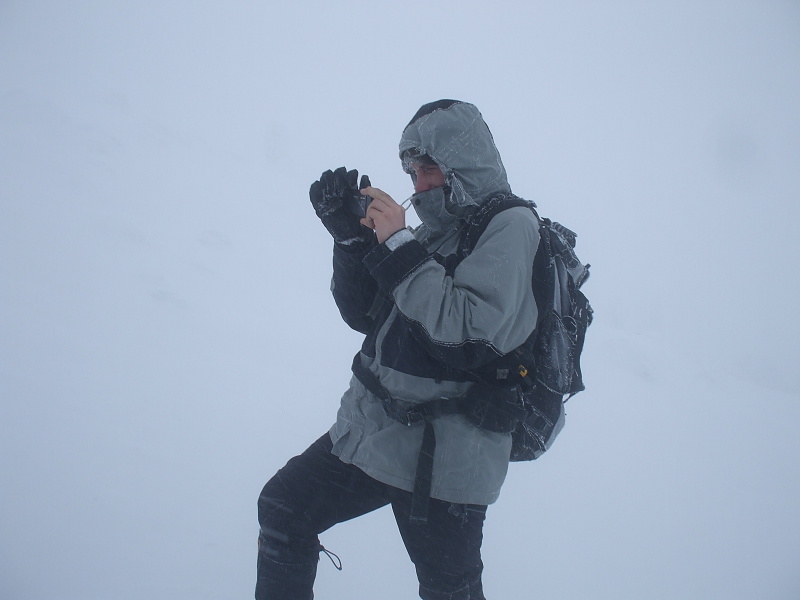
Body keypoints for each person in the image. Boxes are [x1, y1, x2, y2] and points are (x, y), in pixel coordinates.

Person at [256, 99, 540, 600]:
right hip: (378, 432)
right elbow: (365, 316)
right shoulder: (432, 232)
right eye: (412, 172)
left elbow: (469, 334)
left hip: (449, 455)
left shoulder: (510, 225)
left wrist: (398, 244)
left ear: (463, 163)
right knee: (284, 509)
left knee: (448, 590)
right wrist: (352, 242)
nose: (418, 184)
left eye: (428, 169)